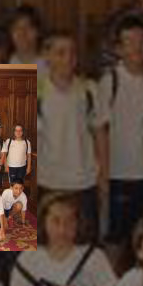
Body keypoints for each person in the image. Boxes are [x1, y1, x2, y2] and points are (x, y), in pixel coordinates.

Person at [98, 15, 143, 269]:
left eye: (141, 41)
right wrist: (104, 174)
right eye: (129, 42)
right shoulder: (110, 81)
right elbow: (100, 130)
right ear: (119, 49)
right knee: (115, 241)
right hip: (118, 175)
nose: (137, 47)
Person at [38, 31, 109, 242]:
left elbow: (100, 134)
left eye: (72, 53)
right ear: (47, 56)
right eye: (60, 53)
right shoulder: (35, 92)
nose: (68, 58)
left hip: (84, 181)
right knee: (49, 245)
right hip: (48, 181)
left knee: (85, 244)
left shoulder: (90, 90)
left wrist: (103, 176)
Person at [7, 4, 47, 71]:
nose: (22, 33)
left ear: (38, 31)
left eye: (28, 27)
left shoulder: (49, 65)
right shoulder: (3, 63)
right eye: (17, 28)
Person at [1, 124, 32, 189]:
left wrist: (28, 167)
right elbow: (4, 155)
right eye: (16, 130)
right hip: (11, 167)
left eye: (20, 130)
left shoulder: (27, 142)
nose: (18, 132)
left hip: (22, 167)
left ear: (23, 132)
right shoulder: (8, 141)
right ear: (13, 131)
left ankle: (19, 195)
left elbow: (29, 155)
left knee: (20, 185)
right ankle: (11, 195)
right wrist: (5, 166)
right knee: (12, 185)